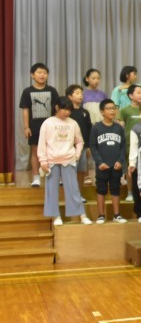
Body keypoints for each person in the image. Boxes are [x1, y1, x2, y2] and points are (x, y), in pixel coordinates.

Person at [38, 97, 92, 226]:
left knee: (73, 189)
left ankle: (82, 215)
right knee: (52, 190)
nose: (67, 112)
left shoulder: (73, 123)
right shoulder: (47, 123)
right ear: (57, 107)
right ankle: (56, 216)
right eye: (65, 109)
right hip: (51, 161)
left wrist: (77, 155)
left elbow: (79, 141)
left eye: (69, 110)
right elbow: (42, 144)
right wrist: (43, 161)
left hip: (69, 160)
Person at [20, 63, 59, 187]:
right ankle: (36, 177)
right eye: (39, 72)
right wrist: (26, 127)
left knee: (53, 151)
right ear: (32, 75)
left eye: (45, 73)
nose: (42, 75)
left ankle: (55, 176)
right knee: (35, 151)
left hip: (51, 126)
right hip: (34, 126)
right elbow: (25, 110)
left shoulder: (52, 90)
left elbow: (57, 109)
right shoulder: (27, 91)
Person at [90, 99, 127, 224]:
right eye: (109, 108)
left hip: (116, 165)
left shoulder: (119, 128)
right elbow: (93, 147)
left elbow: (123, 146)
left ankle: (116, 215)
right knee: (101, 189)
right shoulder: (96, 128)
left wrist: (120, 161)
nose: (112, 111)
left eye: (114, 108)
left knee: (115, 188)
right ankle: (101, 215)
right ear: (102, 112)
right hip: (102, 165)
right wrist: (99, 162)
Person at [66, 85, 92, 198]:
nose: (80, 95)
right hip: (68, 147)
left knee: (81, 171)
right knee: (70, 171)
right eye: (77, 93)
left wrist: (88, 146)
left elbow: (89, 129)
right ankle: (70, 195)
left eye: (81, 93)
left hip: (82, 147)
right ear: (69, 96)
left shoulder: (85, 112)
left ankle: (79, 194)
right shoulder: (67, 112)